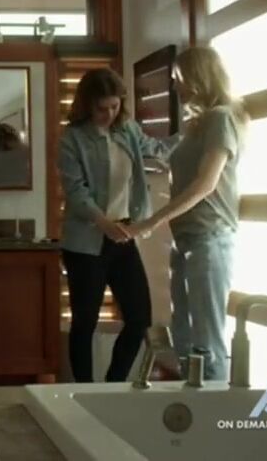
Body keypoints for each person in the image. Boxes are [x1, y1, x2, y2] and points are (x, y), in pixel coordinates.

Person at [125, 46, 248, 381]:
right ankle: (193, 407)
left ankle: (219, 409)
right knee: (184, 339)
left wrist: (151, 222)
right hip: (185, 241)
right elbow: (158, 153)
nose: (174, 85)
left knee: (206, 343)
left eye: (178, 78)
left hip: (210, 238)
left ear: (199, 77)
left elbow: (205, 184)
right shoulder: (195, 126)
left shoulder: (221, 118)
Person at [58, 67, 177, 382]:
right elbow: (76, 192)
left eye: (114, 106)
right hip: (85, 242)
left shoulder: (128, 130)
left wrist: (194, 132)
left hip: (123, 237)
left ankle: (113, 385)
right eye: (102, 108)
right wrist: (104, 223)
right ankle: (84, 392)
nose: (109, 114)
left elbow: (159, 150)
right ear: (87, 104)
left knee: (139, 318)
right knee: (84, 323)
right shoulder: (72, 139)